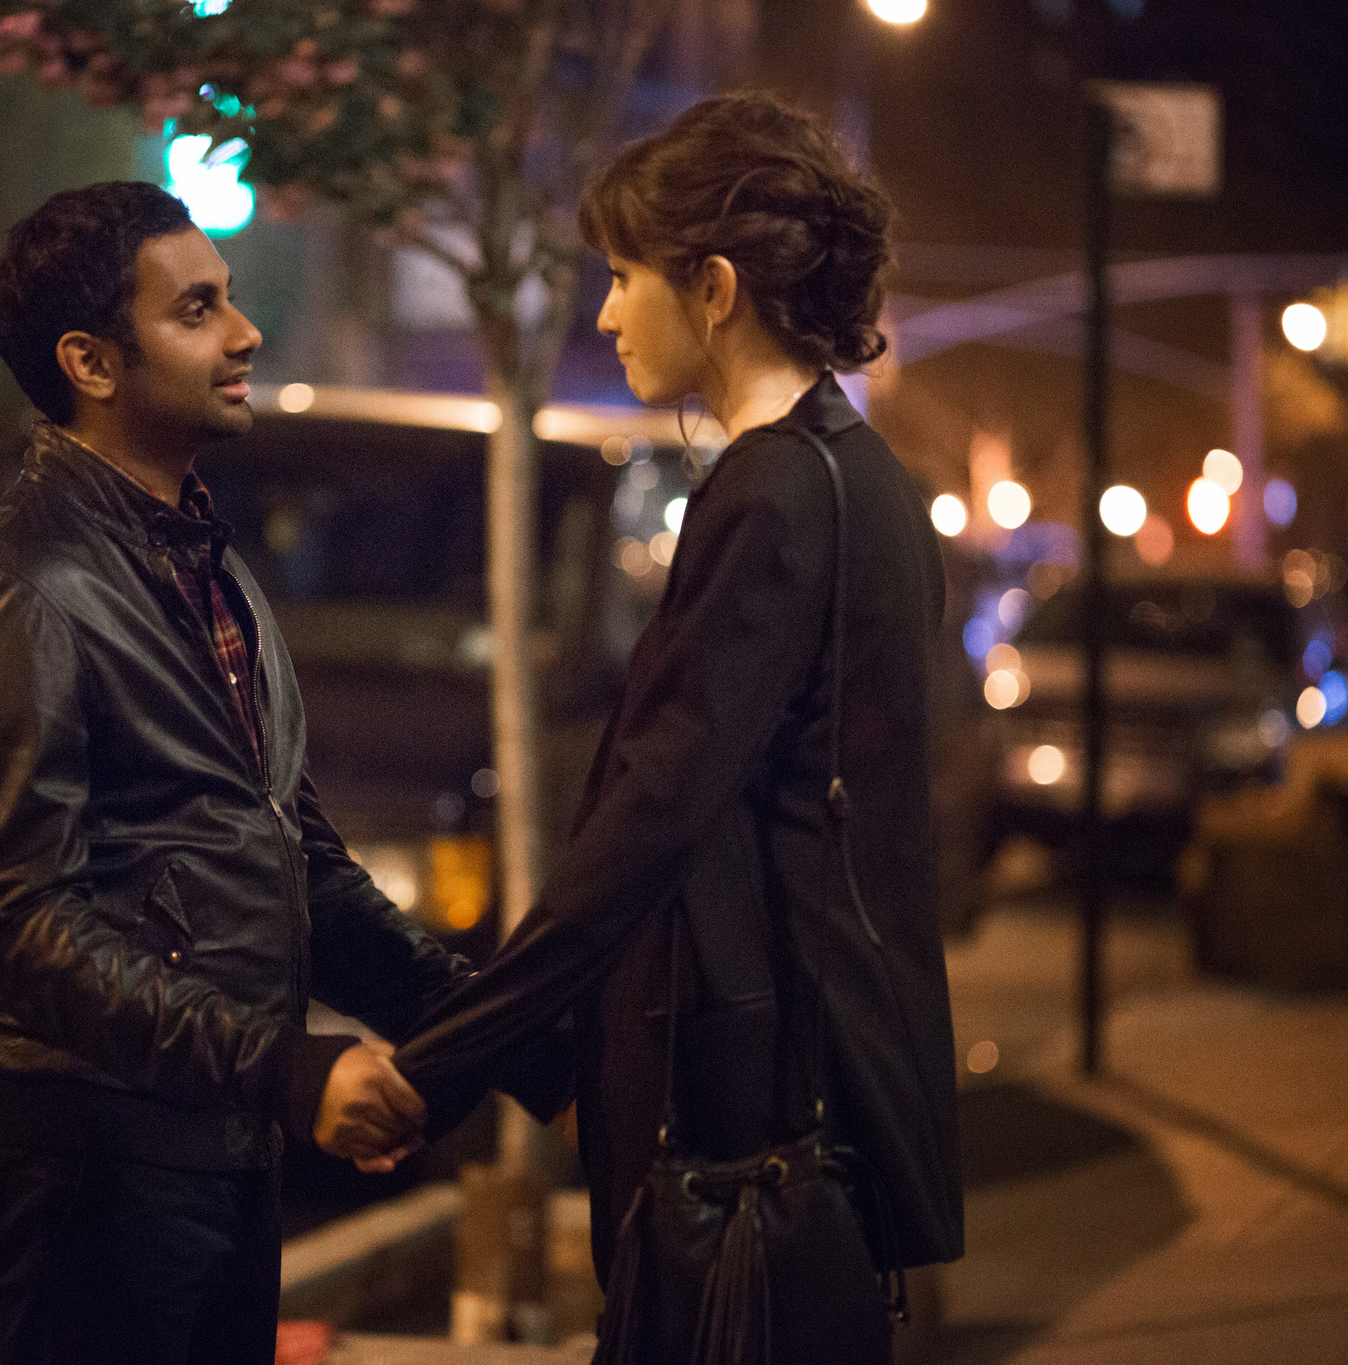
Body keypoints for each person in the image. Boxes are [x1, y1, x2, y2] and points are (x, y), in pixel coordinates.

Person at [393, 93, 964, 1359]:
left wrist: (442, 1059)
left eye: (620, 276)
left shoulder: (764, 499)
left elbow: (649, 818)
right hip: (835, 1095)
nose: (604, 313)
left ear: (710, 287)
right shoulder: (866, 483)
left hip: (745, 1132)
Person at [0, 181, 467, 1363]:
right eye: (197, 310)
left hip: (205, 1128)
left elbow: (291, 852)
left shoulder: (200, 559)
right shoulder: (22, 583)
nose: (244, 333)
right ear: (91, 362)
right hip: (87, 1147)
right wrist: (285, 1066)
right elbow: (20, 926)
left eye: (229, 302)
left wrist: (491, 1030)